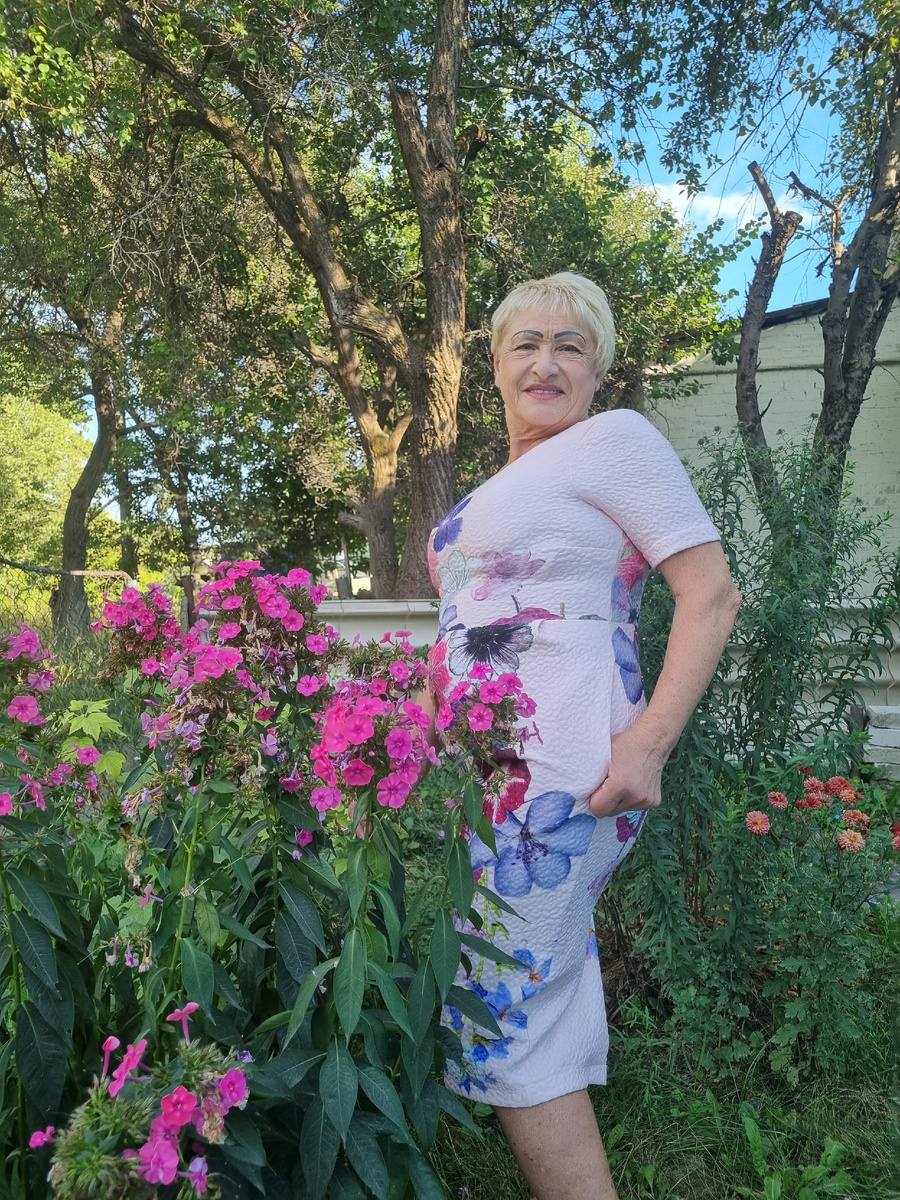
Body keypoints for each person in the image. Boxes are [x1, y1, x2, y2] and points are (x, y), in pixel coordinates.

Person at [423, 272, 740, 1200]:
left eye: (572, 346)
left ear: (598, 371)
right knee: (526, 987)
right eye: (526, 343)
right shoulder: (502, 483)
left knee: (503, 996)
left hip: (558, 767)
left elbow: (712, 593)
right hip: (480, 769)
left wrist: (649, 743)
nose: (546, 363)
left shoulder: (614, 441)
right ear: (494, 364)